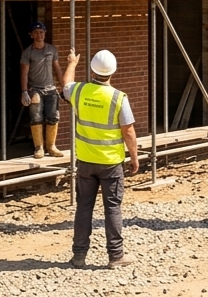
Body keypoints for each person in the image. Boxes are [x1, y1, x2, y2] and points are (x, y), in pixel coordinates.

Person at [64, 48, 139, 269]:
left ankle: (79, 256)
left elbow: (66, 85)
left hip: (86, 161)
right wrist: (134, 157)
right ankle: (116, 256)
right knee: (113, 208)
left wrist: (72, 63)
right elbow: (129, 131)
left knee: (84, 207)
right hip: (110, 163)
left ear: (92, 69)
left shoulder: (79, 92)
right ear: (113, 71)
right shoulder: (118, 97)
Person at [20, 21, 65, 158]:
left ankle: (51, 146)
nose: (39, 35)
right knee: (36, 117)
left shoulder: (51, 50)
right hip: (35, 89)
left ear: (45, 34)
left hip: (51, 89)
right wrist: (24, 91)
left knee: (53, 117)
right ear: (31, 35)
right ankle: (39, 148)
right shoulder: (28, 53)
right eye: (36, 32)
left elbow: (57, 69)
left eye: (41, 32)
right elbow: (24, 73)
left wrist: (64, 87)